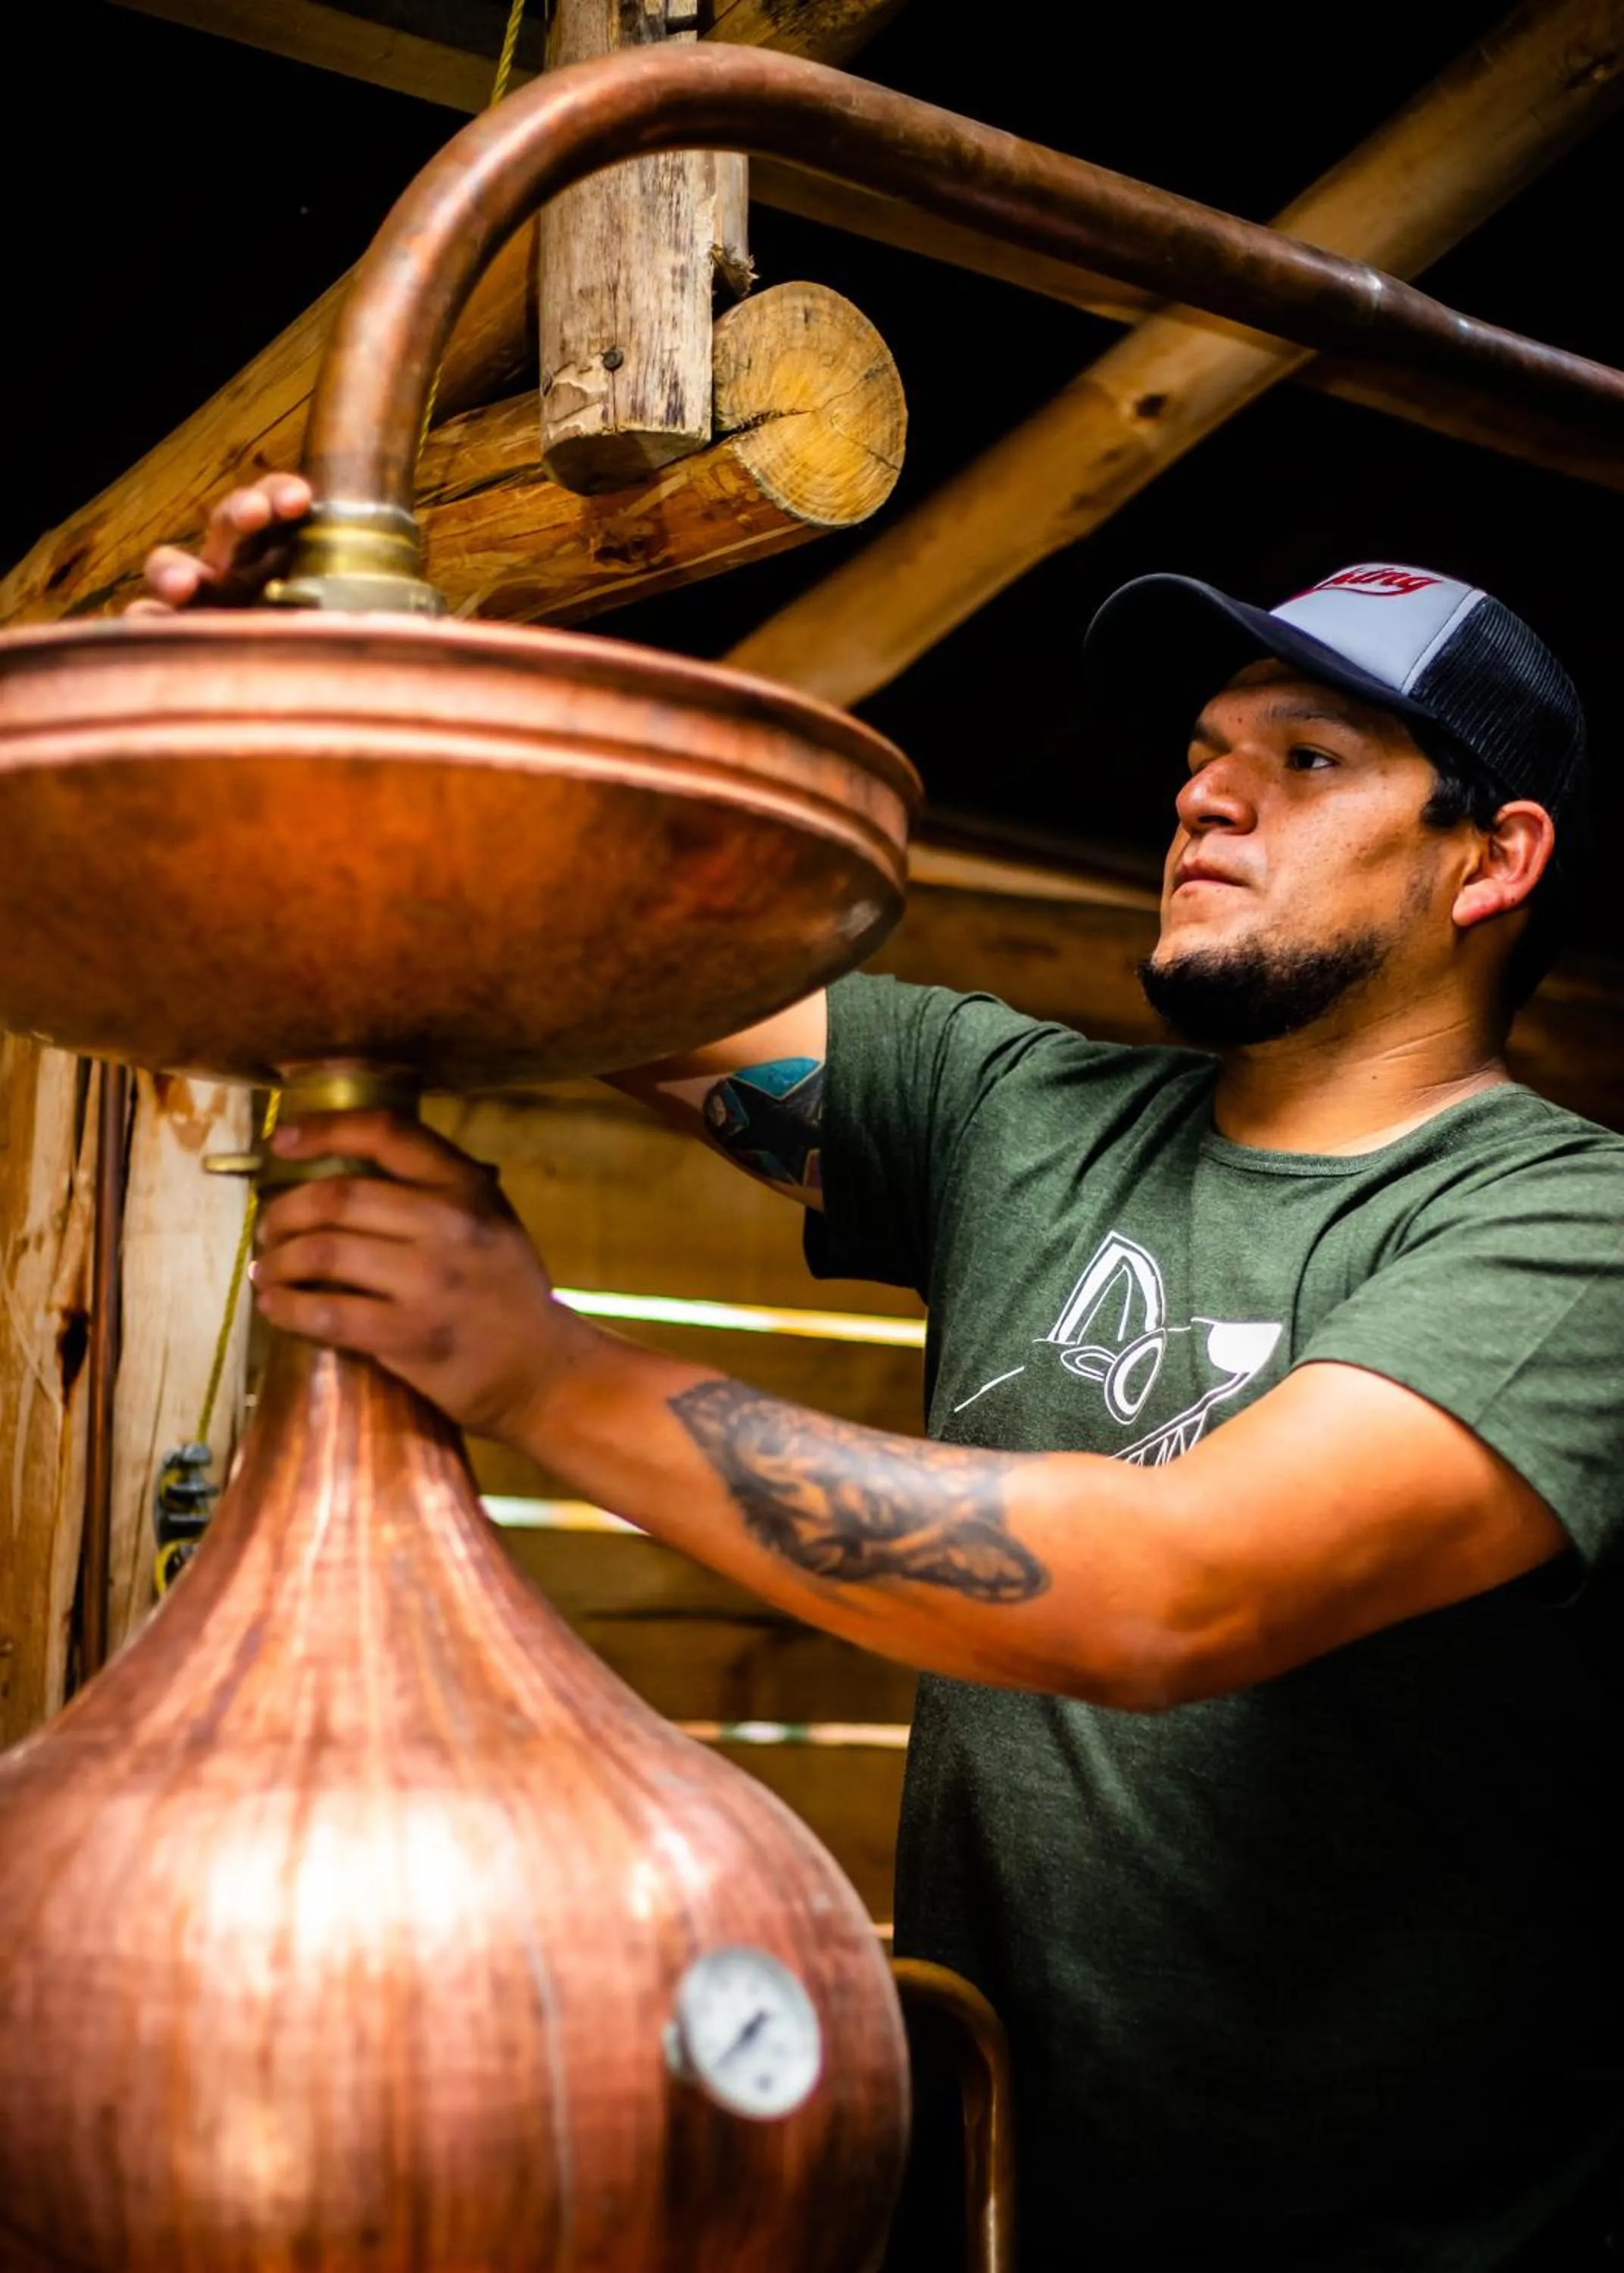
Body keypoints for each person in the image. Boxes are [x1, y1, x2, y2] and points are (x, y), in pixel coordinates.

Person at [141, 492, 1624, 2271]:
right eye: (1201, 755)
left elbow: (1172, 1591)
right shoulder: (1013, 1116)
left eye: (1305, 760)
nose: (1205, 798)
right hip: (986, 2208)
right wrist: (299, 693)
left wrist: (537, 1369)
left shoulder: (1574, 1235)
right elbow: (523, 928)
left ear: (1490, 860)